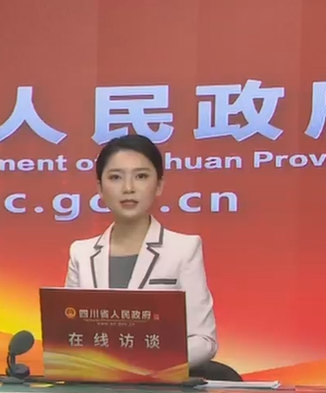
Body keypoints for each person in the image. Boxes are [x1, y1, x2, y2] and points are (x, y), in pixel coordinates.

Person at [64, 134, 218, 369]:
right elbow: (67, 335)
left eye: (141, 176)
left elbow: (204, 340)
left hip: (157, 384)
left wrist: (144, 364)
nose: (128, 188)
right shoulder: (81, 254)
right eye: (115, 177)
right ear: (100, 188)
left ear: (159, 185)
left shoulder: (184, 249)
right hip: (95, 383)